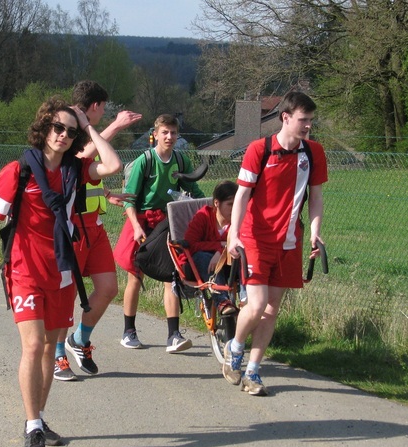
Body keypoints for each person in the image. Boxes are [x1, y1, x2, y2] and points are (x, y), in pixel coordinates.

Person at [0, 97, 121, 447]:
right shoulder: (18, 171)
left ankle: (39, 419)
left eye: (69, 131)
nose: (62, 135)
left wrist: (88, 126)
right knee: (32, 346)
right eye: (57, 127)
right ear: (44, 127)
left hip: (62, 271)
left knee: (48, 348)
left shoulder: (76, 170)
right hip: (25, 270)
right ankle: (31, 428)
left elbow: (113, 163)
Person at [223, 91, 328, 396]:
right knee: (255, 306)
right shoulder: (260, 149)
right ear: (286, 117)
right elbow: (241, 195)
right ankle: (235, 348)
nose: (308, 125)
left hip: (290, 241)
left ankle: (253, 372)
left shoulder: (313, 153)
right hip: (256, 238)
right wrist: (235, 234)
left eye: (310, 120)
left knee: (271, 309)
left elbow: (317, 197)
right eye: (303, 119)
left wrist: (315, 232)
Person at [53, 80, 142, 381]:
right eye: (104, 109)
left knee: (108, 289)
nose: (105, 114)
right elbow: (81, 159)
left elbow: (87, 175)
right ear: (95, 106)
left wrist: (105, 195)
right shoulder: (68, 130)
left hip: (96, 225)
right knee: (65, 297)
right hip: (73, 229)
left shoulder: (84, 132)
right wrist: (115, 126)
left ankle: (79, 339)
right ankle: (56, 355)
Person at [114, 114, 204, 352]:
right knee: (136, 275)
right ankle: (128, 331)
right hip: (142, 221)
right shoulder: (145, 161)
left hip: (168, 221)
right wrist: (135, 227)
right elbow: (129, 199)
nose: (170, 137)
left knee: (171, 275)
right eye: (165, 132)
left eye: (174, 133)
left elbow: (193, 189)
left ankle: (173, 335)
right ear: (155, 134)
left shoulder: (181, 160)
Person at [183, 180, 239, 314]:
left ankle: (246, 298)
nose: (234, 209)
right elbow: (190, 245)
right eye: (230, 204)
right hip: (200, 265)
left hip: (228, 264)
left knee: (243, 257)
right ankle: (222, 302)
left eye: (237, 204)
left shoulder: (238, 221)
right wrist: (220, 245)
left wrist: (221, 251)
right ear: (216, 203)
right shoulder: (204, 217)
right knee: (204, 257)